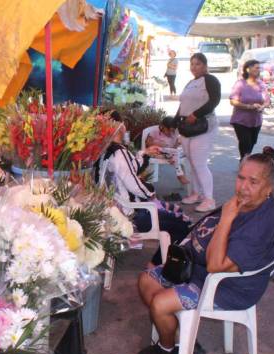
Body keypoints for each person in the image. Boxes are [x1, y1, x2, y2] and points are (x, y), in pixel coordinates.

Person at [135, 147, 274, 354]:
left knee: (160, 303)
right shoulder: (247, 204)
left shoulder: (261, 224)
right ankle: (178, 343)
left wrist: (226, 218)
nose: (243, 187)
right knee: (146, 281)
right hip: (199, 269)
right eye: (241, 178)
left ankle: (167, 344)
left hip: (227, 286)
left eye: (253, 182)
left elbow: (217, 267)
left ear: (269, 188)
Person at [94, 111, 192, 266]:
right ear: (119, 126)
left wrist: (144, 153)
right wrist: (151, 193)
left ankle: (158, 262)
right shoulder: (119, 152)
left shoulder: (107, 149)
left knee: (175, 216)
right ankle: (157, 265)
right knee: (183, 224)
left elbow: (128, 170)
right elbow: (134, 185)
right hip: (134, 214)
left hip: (120, 209)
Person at [178, 53, 221, 213]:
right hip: (187, 128)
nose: (194, 67)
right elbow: (183, 104)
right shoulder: (191, 82)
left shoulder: (210, 80)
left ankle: (209, 199)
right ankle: (196, 193)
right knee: (191, 162)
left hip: (203, 126)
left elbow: (214, 100)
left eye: (197, 64)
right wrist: (175, 121)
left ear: (204, 65)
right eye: (192, 64)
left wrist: (195, 114)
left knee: (199, 162)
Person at [230, 60, 269, 160]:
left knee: (252, 142)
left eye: (259, 68)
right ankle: (244, 162)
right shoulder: (240, 84)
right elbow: (233, 101)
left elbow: (267, 101)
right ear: (248, 69)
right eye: (256, 67)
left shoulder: (261, 84)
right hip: (240, 121)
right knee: (245, 142)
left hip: (256, 121)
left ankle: (245, 159)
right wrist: (249, 107)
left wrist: (262, 106)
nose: (258, 70)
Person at [144, 116, 189, 185]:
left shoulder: (174, 134)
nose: (171, 133)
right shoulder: (155, 132)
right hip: (158, 153)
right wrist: (157, 143)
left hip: (171, 153)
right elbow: (148, 143)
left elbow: (174, 148)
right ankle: (179, 174)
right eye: (169, 130)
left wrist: (177, 143)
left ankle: (173, 159)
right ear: (163, 127)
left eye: (173, 130)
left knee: (182, 152)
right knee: (174, 153)